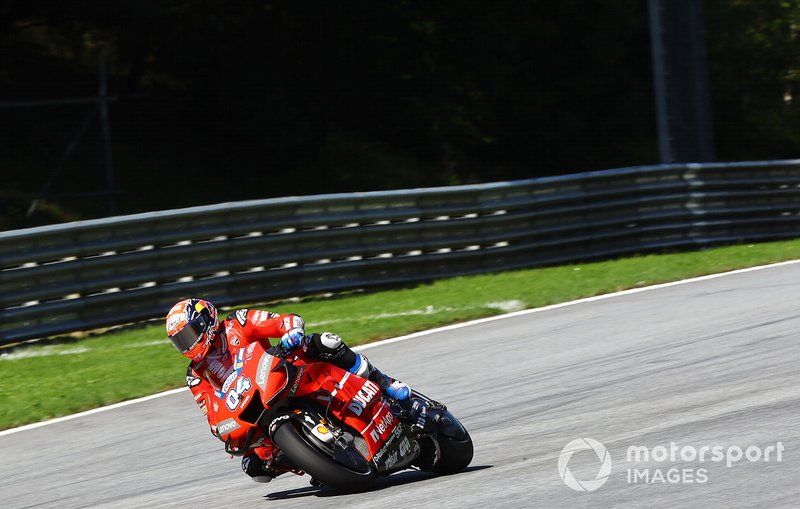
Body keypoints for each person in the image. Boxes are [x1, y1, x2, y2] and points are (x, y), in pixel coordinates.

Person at [166, 298, 413, 483]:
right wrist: (223, 430)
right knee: (253, 467)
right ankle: (315, 458)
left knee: (325, 342)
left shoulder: (237, 323)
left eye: (189, 335)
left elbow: (283, 320)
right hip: (252, 410)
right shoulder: (196, 375)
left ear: (205, 322)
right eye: (180, 342)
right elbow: (212, 415)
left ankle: (384, 383)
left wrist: (291, 332)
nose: (187, 345)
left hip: (280, 374)